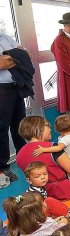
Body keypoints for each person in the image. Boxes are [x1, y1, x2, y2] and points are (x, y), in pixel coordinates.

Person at [16, 116, 70, 200]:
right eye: (47, 125)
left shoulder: (19, 155)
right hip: (63, 193)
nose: (50, 129)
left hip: (40, 196)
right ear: (38, 128)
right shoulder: (51, 147)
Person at [0, 33, 28, 182]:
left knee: (19, 126)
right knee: (1, 129)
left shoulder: (5, 38)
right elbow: (3, 63)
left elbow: (24, 54)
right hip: (1, 89)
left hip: (15, 86)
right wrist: (17, 57)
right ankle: (3, 168)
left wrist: (14, 57)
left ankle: (23, 158)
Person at [3, 192, 68, 236]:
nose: (45, 202)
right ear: (37, 212)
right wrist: (63, 224)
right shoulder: (49, 223)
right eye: (43, 202)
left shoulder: (17, 227)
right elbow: (57, 233)